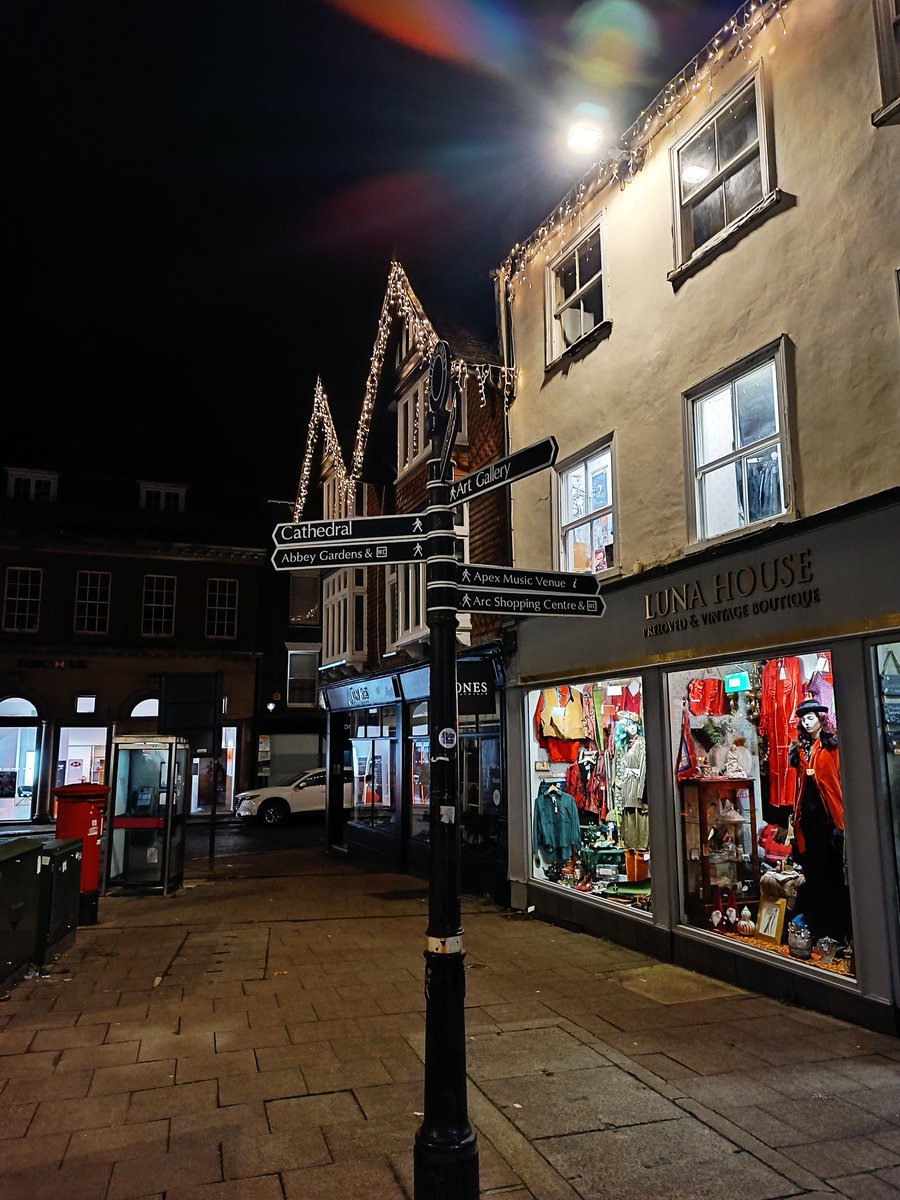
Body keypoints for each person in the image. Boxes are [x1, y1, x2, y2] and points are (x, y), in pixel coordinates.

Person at [788, 696, 851, 945]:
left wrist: (840, 824)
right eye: (803, 718)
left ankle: (834, 932)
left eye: (811, 717)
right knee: (814, 878)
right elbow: (799, 788)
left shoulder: (830, 747)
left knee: (832, 878)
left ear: (821, 719)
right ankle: (817, 929)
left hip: (828, 822)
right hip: (808, 822)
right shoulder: (802, 750)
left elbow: (835, 786)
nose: (806, 721)